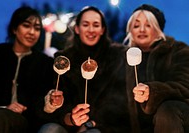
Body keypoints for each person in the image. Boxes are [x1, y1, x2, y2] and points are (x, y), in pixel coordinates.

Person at [38, 6, 130, 133]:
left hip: (103, 127)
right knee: (50, 130)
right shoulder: (63, 59)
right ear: (77, 29)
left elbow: (119, 101)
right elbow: (53, 108)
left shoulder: (117, 56)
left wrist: (91, 123)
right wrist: (70, 118)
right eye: (85, 24)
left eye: (96, 25)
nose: (91, 30)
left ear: (103, 29)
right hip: (67, 126)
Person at [123, 4, 189, 133]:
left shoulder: (178, 50)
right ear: (130, 30)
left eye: (148, 25)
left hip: (178, 120)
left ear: (158, 28)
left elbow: (185, 85)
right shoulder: (121, 58)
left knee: (167, 109)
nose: (141, 29)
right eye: (136, 25)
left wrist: (153, 92)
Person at [0, 6, 56, 133]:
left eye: (37, 28)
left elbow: (41, 102)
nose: (32, 32)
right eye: (26, 25)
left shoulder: (45, 63)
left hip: (25, 122)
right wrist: (4, 107)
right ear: (14, 29)